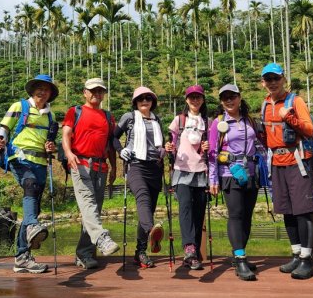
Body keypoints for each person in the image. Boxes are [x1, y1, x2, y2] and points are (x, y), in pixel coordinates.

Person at [0, 74, 58, 274]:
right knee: (29, 184)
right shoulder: (19, 106)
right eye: (39, 88)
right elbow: (4, 128)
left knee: (33, 209)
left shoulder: (51, 116)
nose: (42, 91)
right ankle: (32, 227)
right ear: (32, 90)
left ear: (50, 95)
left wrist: (51, 147)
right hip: (19, 158)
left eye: (46, 89)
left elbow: (50, 140)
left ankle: (22, 257)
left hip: (40, 162)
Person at [260, 63, 313, 280]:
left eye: (276, 78)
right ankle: (296, 254)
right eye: (268, 79)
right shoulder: (265, 104)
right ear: (262, 83)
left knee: (303, 210)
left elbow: (309, 130)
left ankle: (307, 259)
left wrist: (288, 117)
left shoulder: (296, 101)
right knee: (287, 210)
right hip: (276, 162)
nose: (272, 83)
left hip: (298, 160)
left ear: (283, 79)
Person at [61, 78, 119, 270]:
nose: (97, 94)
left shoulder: (108, 116)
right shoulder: (75, 111)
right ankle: (102, 239)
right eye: (93, 91)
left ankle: (84, 254)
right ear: (84, 92)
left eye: (100, 91)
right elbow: (66, 134)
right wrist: (69, 153)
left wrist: (114, 167)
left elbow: (110, 144)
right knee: (89, 204)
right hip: (80, 164)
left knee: (92, 211)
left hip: (101, 168)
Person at [208, 84, 260, 281]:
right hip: (230, 173)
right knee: (236, 214)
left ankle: (240, 254)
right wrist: (213, 180)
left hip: (251, 172)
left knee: (247, 215)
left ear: (240, 98)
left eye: (233, 97)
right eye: (225, 98)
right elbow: (212, 153)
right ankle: (239, 259)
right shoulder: (218, 123)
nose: (229, 101)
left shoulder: (249, 121)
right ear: (221, 101)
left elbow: (259, 145)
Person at [113, 86, 165, 269]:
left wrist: (165, 150)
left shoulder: (157, 119)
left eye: (148, 98)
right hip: (135, 165)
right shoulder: (129, 117)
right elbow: (113, 137)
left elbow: (161, 143)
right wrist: (121, 150)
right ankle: (152, 230)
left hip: (155, 167)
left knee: (148, 209)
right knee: (142, 197)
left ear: (153, 102)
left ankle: (140, 252)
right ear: (135, 102)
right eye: (141, 98)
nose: (145, 101)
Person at [165, 85, 209, 270]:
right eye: (192, 97)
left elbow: (214, 147)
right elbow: (169, 143)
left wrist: (209, 148)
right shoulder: (179, 120)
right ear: (186, 100)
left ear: (203, 99)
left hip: (201, 171)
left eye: (198, 97)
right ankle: (189, 248)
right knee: (185, 208)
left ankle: (193, 254)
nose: (195, 100)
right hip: (181, 171)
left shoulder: (209, 121)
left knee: (199, 213)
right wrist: (168, 148)